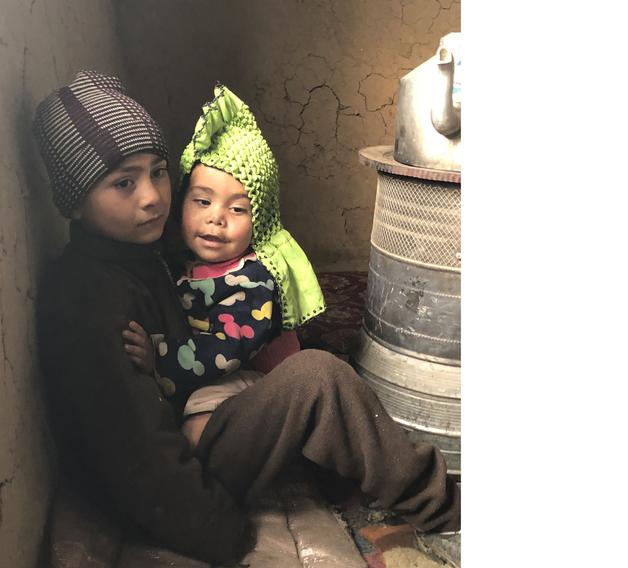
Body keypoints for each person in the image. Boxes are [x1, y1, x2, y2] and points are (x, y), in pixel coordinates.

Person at [33, 70, 460, 566]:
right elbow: (137, 458)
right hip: (183, 477)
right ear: (76, 202)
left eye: (157, 171)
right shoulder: (88, 299)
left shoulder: (138, 252)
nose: (151, 197)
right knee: (318, 378)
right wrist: (225, 535)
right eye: (123, 183)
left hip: (201, 419)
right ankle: (448, 512)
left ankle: (359, 470)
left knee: (313, 372)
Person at [120, 84, 326, 448]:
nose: (216, 219)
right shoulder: (179, 261)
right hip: (202, 363)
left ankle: (225, 478)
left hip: (254, 375)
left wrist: (158, 358)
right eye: (202, 201)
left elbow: (226, 351)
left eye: (237, 209)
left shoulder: (254, 280)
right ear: (182, 202)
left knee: (197, 425)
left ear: (259, 220)